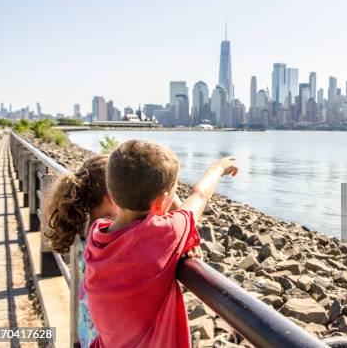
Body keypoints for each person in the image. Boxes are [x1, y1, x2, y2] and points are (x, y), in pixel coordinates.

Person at [84, 140, 237, 348]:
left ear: (112, 194)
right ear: (160, 202)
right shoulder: (164, 234)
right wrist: (218, 168)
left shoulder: (97, 234)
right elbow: (199, 196)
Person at [45, 155, 117, 348]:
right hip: (104, 337)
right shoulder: (110, 233)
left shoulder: (88, 225)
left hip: (89, 332)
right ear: (112, 196)